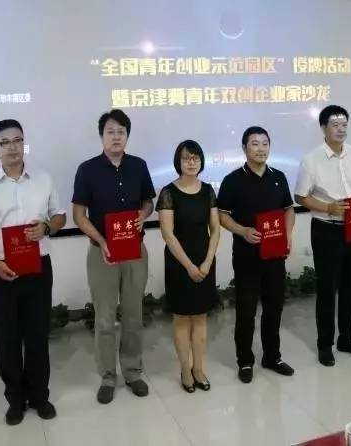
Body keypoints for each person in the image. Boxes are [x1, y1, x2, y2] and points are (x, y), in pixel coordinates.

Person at [0, 119, 66, 425]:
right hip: (1, 271)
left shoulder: (43, 180)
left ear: (24, 143)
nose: (12, 147)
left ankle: (40, 396)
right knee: (8, 339)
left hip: (38, 269)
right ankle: (15, 399)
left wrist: (47, 227)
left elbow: (60, 216)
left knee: (37, 335)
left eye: (17, 140)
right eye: (5, 142)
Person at [72, 109, 156, 405]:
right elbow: (79, 215)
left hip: (135, 251)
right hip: (102, 254)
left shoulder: (139, 166)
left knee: (133, 315)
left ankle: (132, 372)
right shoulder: (87, 169)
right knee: (105, 318)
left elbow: (148, 201)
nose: (116, 136)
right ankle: (108, 376)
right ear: (101, 136)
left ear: (127, 136)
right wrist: (101, 240)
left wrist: (143, 214)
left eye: (121, 131)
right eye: (110, 131)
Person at [295, 105, 351, 364]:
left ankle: (347, 338)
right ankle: (325, 344)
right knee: (327, 288)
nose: (341, 129)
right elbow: (301, 196)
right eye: (335, 125)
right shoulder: (312, 159)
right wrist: (327, 207)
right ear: (323, 128)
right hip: (326, 229)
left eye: (344, 125)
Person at [218, 126, 295, 383]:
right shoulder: (232, 180)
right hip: (247, 255)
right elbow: (222, 216)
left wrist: (288, 235)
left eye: (265, 143)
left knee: (274, 307)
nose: (261, 149)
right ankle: (245, 361)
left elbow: (288, 209)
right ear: (244, 148)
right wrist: (242, 231)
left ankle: (272, 357)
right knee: (246, 310)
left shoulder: (278, 177)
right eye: (255, 144)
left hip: (275, 254)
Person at [156, 140, 220, 393]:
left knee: (201, 317)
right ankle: (185, 369)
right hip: (179, 263)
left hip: (205, 260)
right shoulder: (168, 192)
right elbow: (168, 234)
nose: (191, 162)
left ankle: (199, 368)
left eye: (195, 158)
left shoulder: (208, 191)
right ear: (178, 162)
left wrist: (207, 261)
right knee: (182, 318)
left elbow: (215, 230)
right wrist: (189, 266)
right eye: (186, 158)